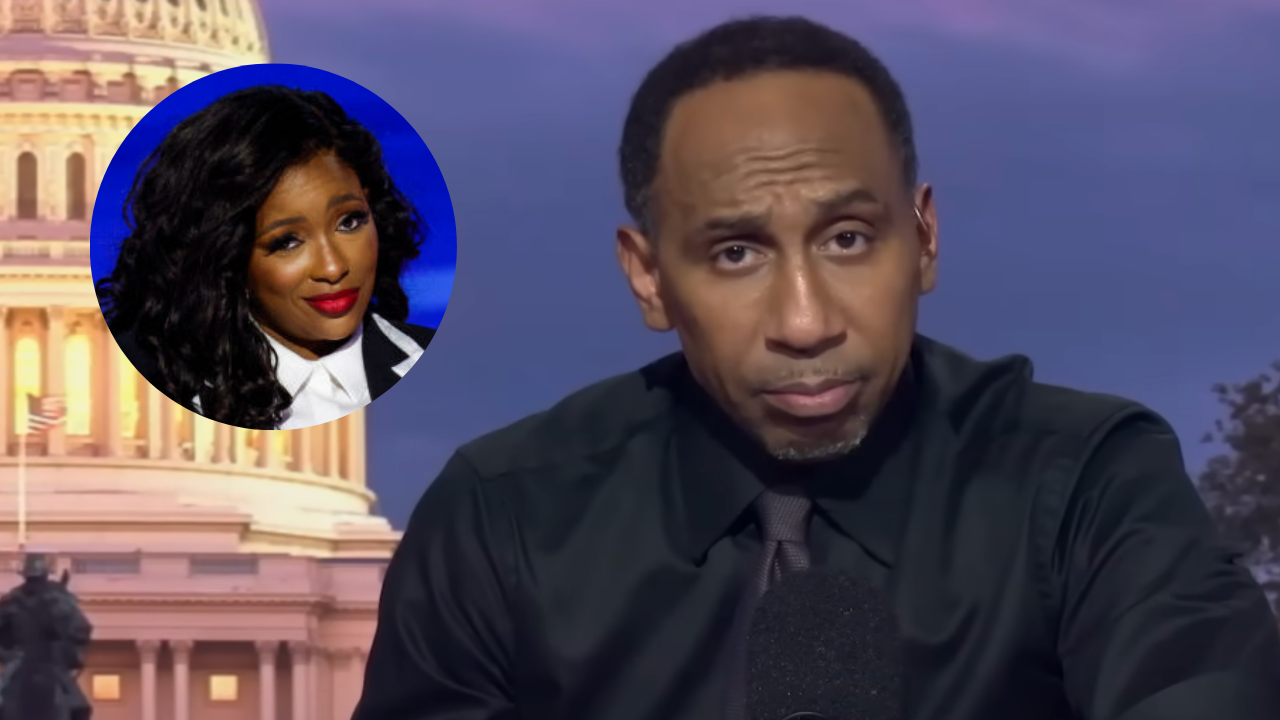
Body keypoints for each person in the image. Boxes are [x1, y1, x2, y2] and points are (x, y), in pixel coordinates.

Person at [355, 15, 1280, 720]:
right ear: (649, 278)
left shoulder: (1088, 483)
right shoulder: (501, 522)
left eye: (847, 239)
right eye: (736, 254)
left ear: (923, 238)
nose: (806, 323)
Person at [97, 85, 435, 430]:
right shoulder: (152, 400)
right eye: (287, 242)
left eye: (349, 222)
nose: (333, 267)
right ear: (226, 257)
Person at [0, 554, 93, 720]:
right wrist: (6, 653)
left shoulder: (59, 599)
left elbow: (80, 628)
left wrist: (66, 643)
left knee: (79, 705)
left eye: (37, 578)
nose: (35, 582)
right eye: (32, 578)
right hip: (19, 659)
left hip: (49, 657)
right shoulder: (11, 601)